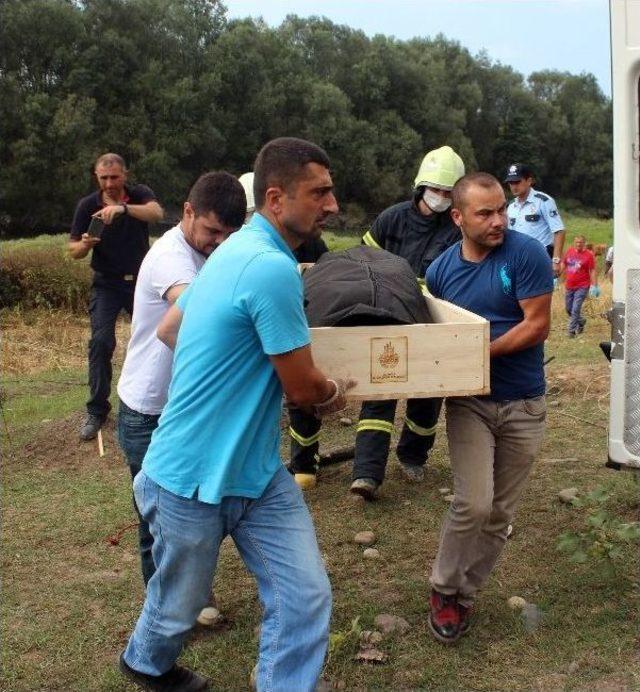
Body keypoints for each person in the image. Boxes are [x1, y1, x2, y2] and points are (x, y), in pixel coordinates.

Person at [119, 137, 354, 692]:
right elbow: (302, 390)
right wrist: (334, 390)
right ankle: (145, 663)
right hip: (187, 478)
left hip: (255, 472)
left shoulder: (233, 250)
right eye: (319, 192)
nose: (332, 205)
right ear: (276, 197)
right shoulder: (267, 267)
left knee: (304, 594)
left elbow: (170, 328)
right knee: (176, 610)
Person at [425, 172, 553, 644]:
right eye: (485, 213)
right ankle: (443, 588)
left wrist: (477, 354)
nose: (499, 220)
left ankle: (466, 592)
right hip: (470, 404)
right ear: (458, 217)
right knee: (473, 502)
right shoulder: (440, 272)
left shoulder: (527, 253)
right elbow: (436, 338)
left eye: (502, 209)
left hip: (524, 402)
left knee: (500, 513)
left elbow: (536, 326)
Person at [116, 172, 245, 603]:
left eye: (229, 234)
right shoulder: (171, 258)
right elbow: (195, 315)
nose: (218, 241)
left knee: (189, 510)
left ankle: (183, 597)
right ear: (187, 212)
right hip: (148, 410)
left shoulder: (209, 252)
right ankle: (166, 608)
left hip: (182, 408)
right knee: (157, 519)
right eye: (211, 230)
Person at [346, 145, 464, 499]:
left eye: (448, 192)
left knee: (428, 395)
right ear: (420, 187)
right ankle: (366, 474)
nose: (440, 198)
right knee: (380, 391)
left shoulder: (456, 228)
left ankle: (413, 456)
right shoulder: (392, 219)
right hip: (389, 316)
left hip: (433, 320)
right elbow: (363, 257)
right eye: (436, 190)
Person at [69, 153, 163, 441]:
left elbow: (157, 213)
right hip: (106, 283)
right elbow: (72, 250)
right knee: (100, 342)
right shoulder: (87, 205)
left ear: (125, 175)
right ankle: (97, 410)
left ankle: (163, 402)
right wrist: (85, 245)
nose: (109, 183)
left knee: (161, 337)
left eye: (114, 177)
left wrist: (122, 209)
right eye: (103, 178)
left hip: (141, 283)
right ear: (96, 176)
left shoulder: (139, 194)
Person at [504, 162, 565, 275]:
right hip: (517, 259)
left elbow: (559, 231)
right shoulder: (511, 207)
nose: (514, 186)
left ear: (529, 181)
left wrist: (556, 260)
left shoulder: (543, 201)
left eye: (517, 181)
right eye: (511, 183)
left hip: (539, 258)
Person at [561, 234, 598, 337]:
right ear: (574, 243)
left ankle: (571, 331)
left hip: (582, 285)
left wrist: (595, 285)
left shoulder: (589, 255)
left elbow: (593, 270)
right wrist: (556, 275)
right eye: (577, 242)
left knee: (576, 308)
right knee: (569, 309)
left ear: (584, 243)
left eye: (581, 242)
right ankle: (581, 321)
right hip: (569, 285)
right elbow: (564, 264)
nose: (578, 244)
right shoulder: (569, 252)